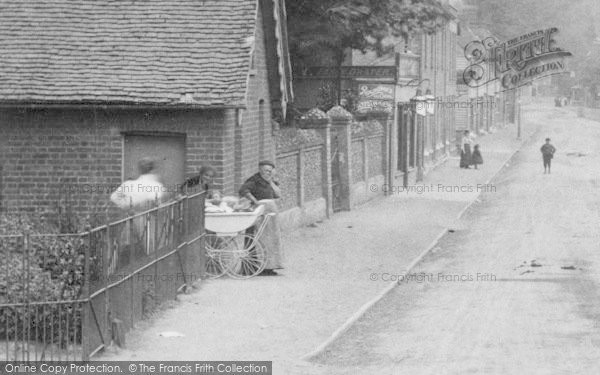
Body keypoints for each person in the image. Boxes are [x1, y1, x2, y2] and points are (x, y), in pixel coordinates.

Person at [239, 160, 283, 276]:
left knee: (272, 239)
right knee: (260, 239)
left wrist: (271, 182)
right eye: (265, 171)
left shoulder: (270, 181)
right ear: (260, 170)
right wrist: (255, 202)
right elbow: (243, 190)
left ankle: (270, 267)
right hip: (261, 213)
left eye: (270, 171)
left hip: (270, 213)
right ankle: (256, 267)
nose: (267, 173)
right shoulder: (254, 180)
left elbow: (278, 194)